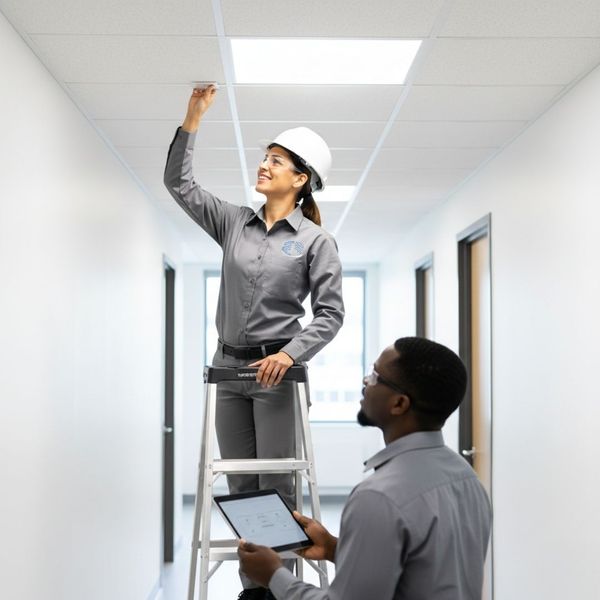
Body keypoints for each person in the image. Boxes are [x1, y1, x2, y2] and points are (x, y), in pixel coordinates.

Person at [164, 85, 345, 600]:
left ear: (301, 179)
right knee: (242, 489)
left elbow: (330, 314)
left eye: (277, 161)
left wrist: (289, 354)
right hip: (227, 370)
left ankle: (281, 589)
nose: (264, 166)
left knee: (277, 489)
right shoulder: (234, 223)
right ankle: (255, 591)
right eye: (264, 158)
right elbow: (179, 183)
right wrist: (192, 117)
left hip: (276, 374)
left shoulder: (314, 241)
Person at [238, 337, 492, 600]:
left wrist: (274, 574)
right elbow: (423, 575)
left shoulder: (378, 497)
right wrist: (334, 548)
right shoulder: (467, 479)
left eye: (375, 376)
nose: (365, 381)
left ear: (399, 404)